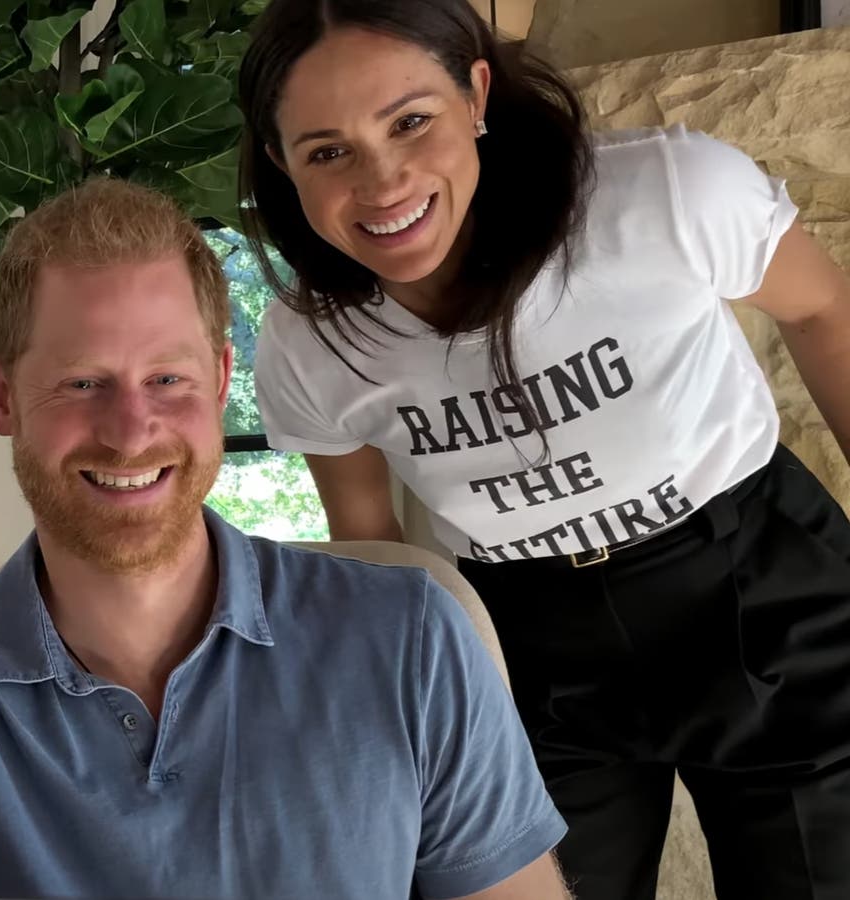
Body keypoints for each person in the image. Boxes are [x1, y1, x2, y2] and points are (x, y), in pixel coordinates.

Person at [0, 178, 572, 899]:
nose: (131, 432)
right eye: (82, 382)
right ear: (0, 399)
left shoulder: (411, 637)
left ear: (218, 382)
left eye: (166, 379)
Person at [238, 2, 850, 899]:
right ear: (281, 164)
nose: (383, 180)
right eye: (327, 150)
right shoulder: (308, 343)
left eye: (411, 121)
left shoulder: (667, 192)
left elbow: (822, 309)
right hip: (528, 648)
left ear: (476, 92)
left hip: (754, 586)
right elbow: (371, 540)